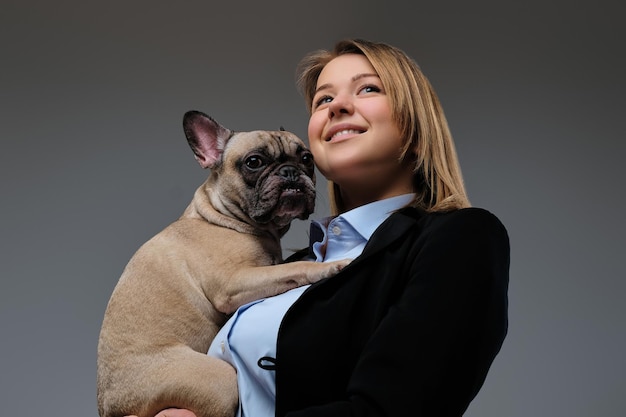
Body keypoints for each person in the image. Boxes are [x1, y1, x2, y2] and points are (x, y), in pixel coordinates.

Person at [141, 38, 510, 417]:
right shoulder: (285, 265)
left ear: (416, 130)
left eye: (368, 88)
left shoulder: (460, 238)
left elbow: (392, 409)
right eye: (323, 100)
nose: (338, 107)